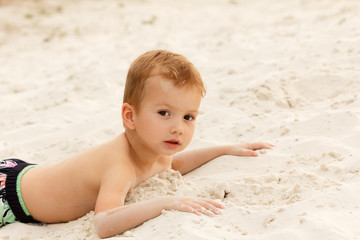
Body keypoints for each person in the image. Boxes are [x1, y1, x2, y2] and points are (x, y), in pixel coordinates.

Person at [0, 50, 273, 238]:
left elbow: (174, 163)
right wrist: (167, 202)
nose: (178, 126)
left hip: (25, 173)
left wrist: (223, 149)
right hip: (9, 196)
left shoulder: (155, 151)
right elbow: (104, 224)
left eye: (188, 116)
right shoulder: (118, 165)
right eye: (164, 113)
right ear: (130, 116)